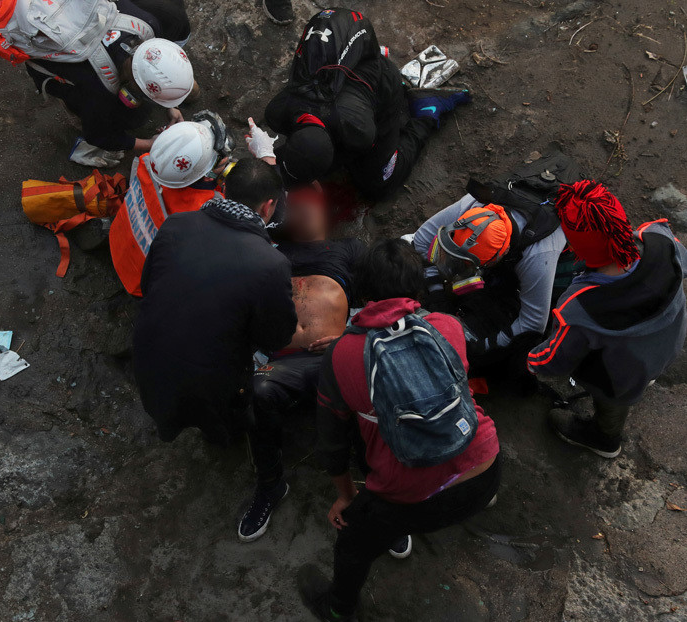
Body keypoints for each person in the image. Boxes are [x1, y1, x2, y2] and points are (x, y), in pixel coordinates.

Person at [298, 239, 501, 622]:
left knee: (352, 545)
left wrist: (347, 496)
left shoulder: (341, 355)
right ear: (418, 287)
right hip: (484, 470)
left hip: (409, 499)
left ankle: (338, 609)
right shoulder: (447, 327)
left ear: (362, 294)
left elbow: (331, 443)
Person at [132, 159, 298, 445]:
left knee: (169, 414)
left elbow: (148, 285)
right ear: (267, 206)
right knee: (224, 425)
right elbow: (276, 338)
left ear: (224, 190)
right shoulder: (271, 263)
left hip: (149, 357)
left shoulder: (176, 224)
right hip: (212, 381)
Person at [528, 181, 687, 458]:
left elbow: (556, 358)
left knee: (613, 400)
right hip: (668, 344)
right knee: (644, 366)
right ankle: (649, 377)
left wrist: (532, 361)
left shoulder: (580, 307)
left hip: (620, 378)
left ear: (577, 246)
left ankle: (604, 439)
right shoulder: (659, 237)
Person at [236, 188, 366, 542]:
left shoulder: (349, 248)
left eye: (312, 204)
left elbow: (381, 298)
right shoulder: (269, 251)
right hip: (281, 363)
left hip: (336, 355)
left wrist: (351, 336)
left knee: (373, 390)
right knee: (256, 393)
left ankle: (379, 495)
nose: (304, 210)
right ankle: (270, 485)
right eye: (295, 207)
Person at [261, 9, 471, 200]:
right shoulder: (276, 112)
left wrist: (312, 171)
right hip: (347, 79)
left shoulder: (357, 129)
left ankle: (427, 112)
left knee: (376, 183)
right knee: (315, 156)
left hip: (382, 84)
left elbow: (341, 155)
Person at [0, 0, 196, 166]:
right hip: (47, 45)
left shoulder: (147, 26)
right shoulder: (100, 90)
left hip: (61, 16)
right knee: (133, 118)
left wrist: (171, 106)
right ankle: (71, 104)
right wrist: (149, 144)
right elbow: (99, 137)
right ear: (136, 89)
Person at [412, 195, 567, 379]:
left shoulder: (538, 255)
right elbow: (420, 241)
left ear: (500, 257)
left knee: (512, 347)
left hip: (546, 263)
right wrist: (438, 297)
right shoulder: (475, 203)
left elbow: (533, 323)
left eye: (466, 266)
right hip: (510, 238)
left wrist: (482, 346)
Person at [109, 112, 232, 296]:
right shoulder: (205, 212)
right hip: (140, 283)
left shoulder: (149, 163)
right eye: (221, 160)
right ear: (207, 175)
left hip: (118, 242)